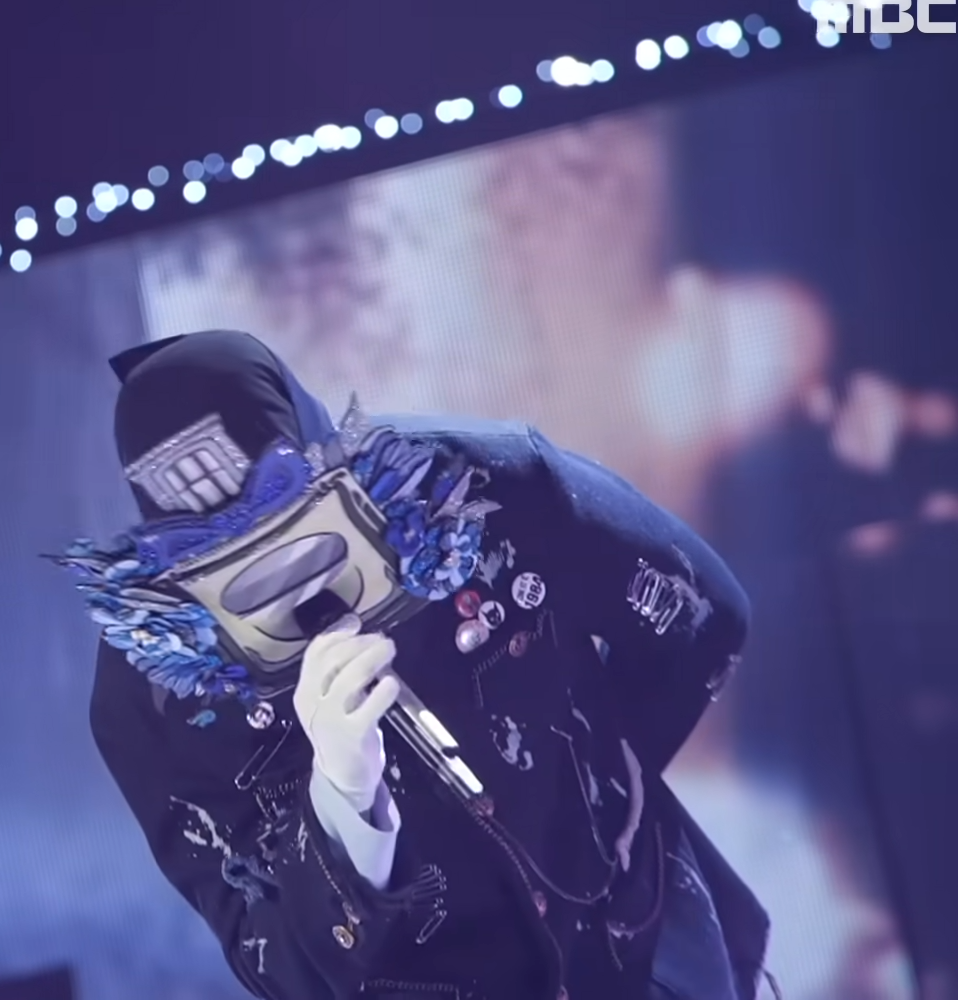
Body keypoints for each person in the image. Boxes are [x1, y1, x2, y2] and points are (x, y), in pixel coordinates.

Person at [64, 331, 774, 1000]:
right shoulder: (152, 699)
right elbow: (275, 964)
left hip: (643, 942)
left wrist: (607, 774)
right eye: (226, 563)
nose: (287, 582)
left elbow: (700, 613)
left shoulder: (482, 486)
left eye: (297, 521)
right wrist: (342, 805)